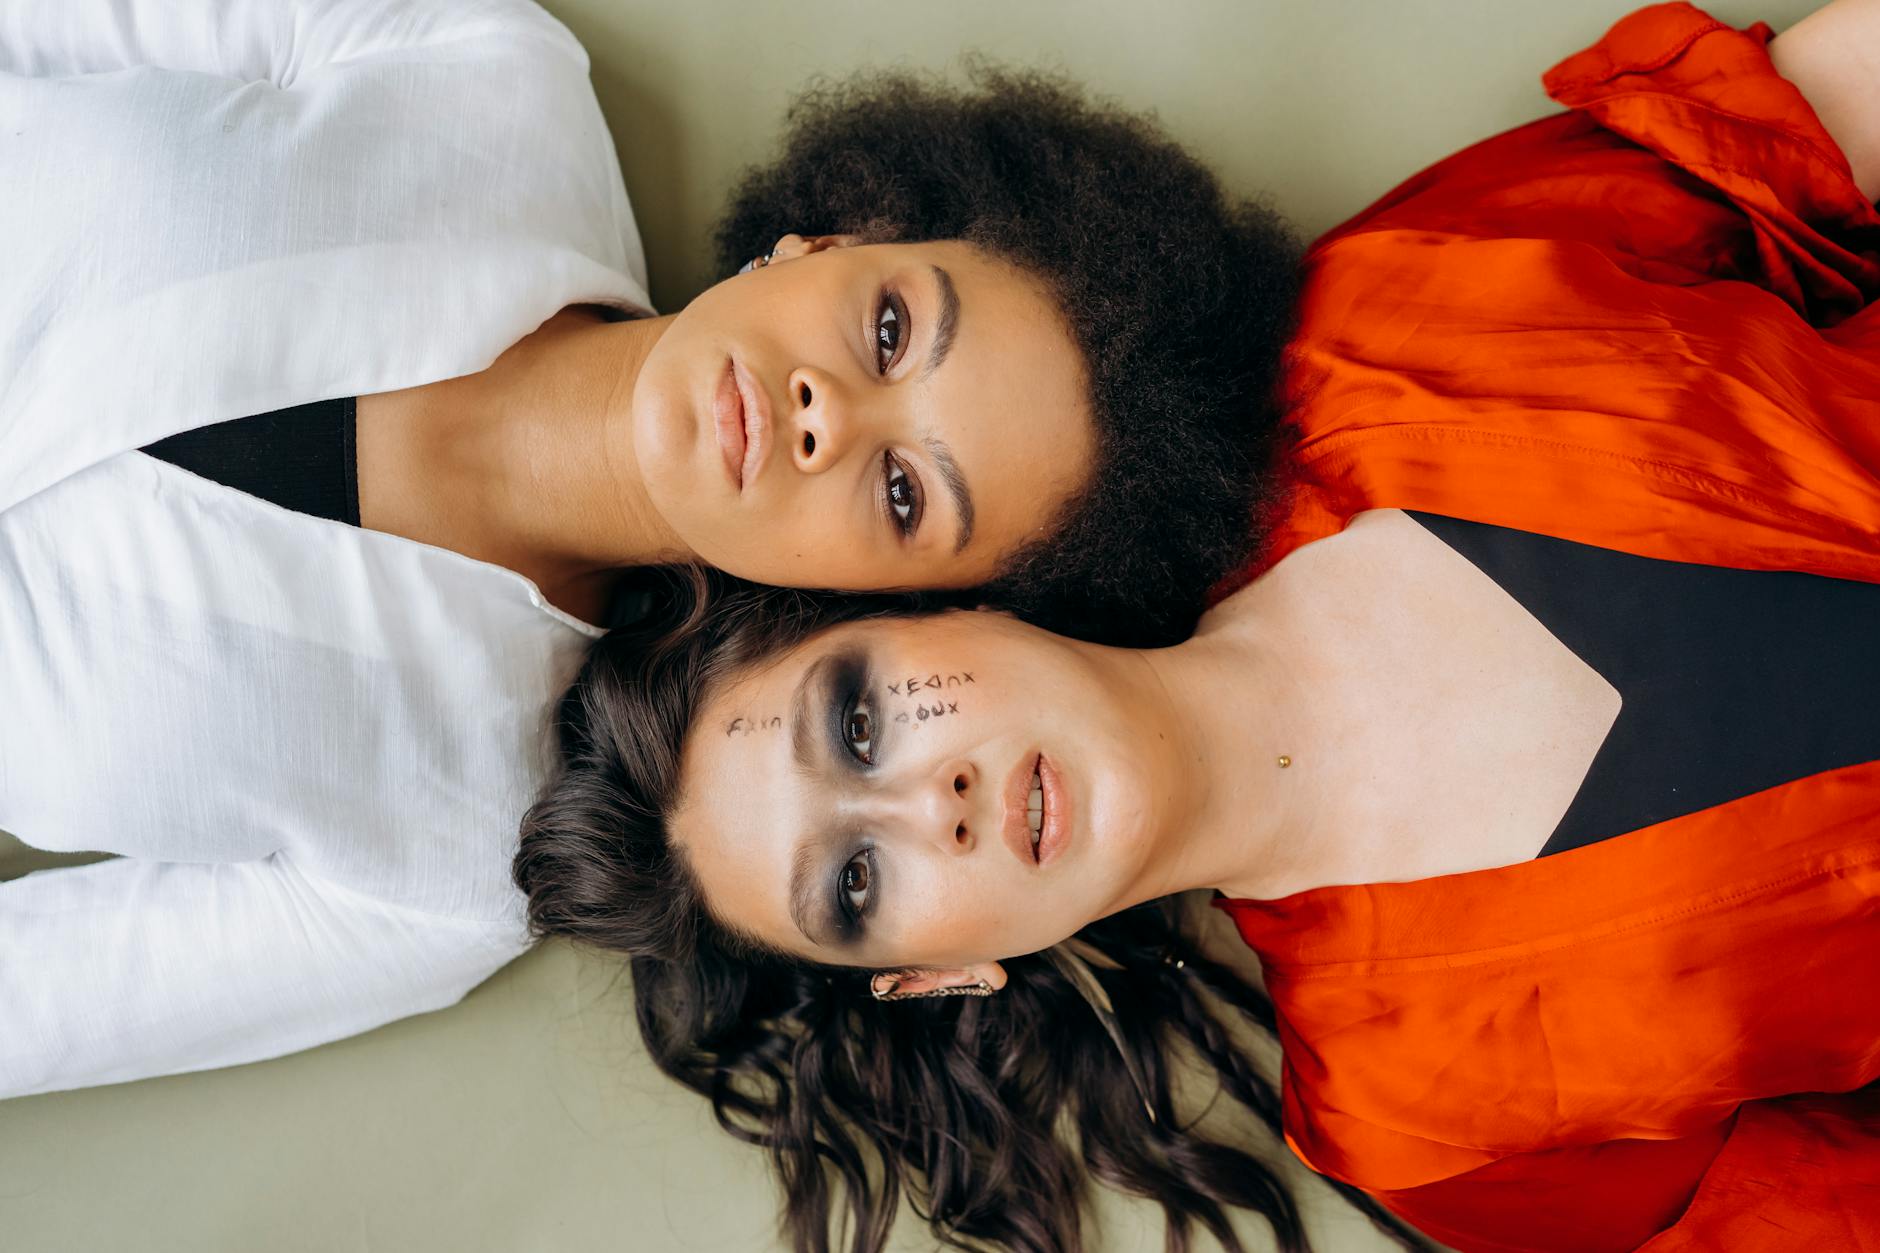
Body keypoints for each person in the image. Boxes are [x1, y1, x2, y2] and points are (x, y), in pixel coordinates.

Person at [515, 4, 1880, 1251]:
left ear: (938, 606)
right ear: (942, 974)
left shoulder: (1374, 325)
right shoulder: (1419, 1122)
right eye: (857, 882)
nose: (934, 798)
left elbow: (1815, 126)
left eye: (860, 719)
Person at [0, 0, 1297, 1098]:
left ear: (895, 604)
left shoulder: (449, 866)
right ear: (832, 244)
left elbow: (37, 999)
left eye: (905, 493)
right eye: (893, 331)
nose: (827, 412)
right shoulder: (489, 70)